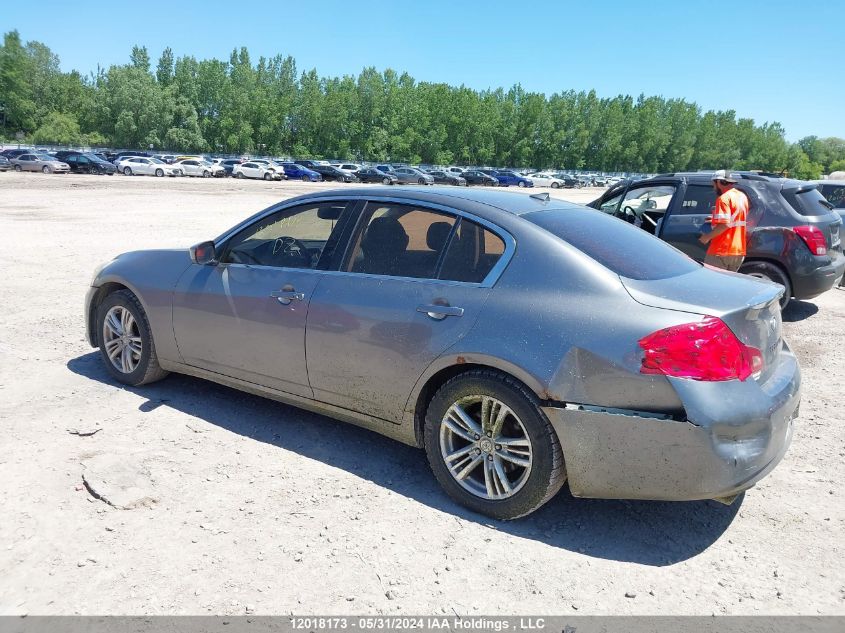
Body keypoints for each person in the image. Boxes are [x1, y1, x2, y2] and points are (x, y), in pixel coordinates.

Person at [699, 169, 749, 272]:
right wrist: (714, 220)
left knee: (714, 284)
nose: (713, 187)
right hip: (738, 251)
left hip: (721, 250)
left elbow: (725, 225)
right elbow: (735, 219)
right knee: (729, 285)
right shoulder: (742, 197)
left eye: (713, 183)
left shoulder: (724, 199)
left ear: (719, 182)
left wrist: (706, 237)